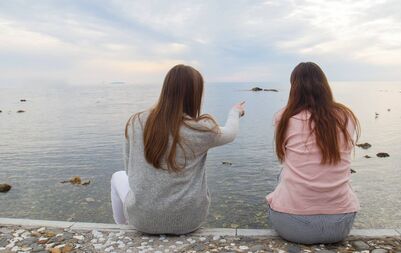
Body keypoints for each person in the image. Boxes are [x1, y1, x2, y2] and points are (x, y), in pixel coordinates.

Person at [111, 64, 245, 234]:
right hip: (188, 221)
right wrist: (235, 112)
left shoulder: (136, 122)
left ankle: (122, 229)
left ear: (166, 89)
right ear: (195, 94)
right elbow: (231, 133)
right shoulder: (200, 129)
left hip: (141, 220)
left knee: (118, 176)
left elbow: (130, 171)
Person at [267, 62, 360, 244]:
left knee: (283, 173)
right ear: (324, 85)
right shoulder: (345, 117)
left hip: (292, 226)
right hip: (340, 224)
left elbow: (284, 157)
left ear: (294, 88)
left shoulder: (284, 118)